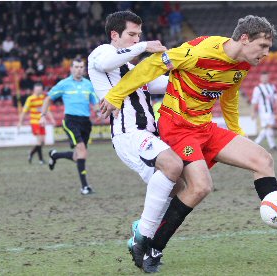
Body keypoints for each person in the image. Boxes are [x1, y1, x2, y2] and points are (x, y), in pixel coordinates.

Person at [101, 15, 277, 273]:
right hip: (177, 127)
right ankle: (153, 245)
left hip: (205, 128)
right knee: (200, 187)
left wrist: (236, 133)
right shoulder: (198, 52)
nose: (266, 53)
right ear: (244, 38)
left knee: (262, 160)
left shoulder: (242, 63)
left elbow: (230, 94)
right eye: (263, 46)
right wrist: (115, 96)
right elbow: (151, 65)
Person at [87, 10, 184, 267]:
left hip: (147, 133)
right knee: (173, 166)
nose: (136, 39)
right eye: (131, 34)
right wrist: (145, 46)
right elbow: (106, 63)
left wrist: (181, 70)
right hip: (128, 133)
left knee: (178, 188)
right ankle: (143, 237)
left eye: (139, 34)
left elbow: (160, 84)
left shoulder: (132, 68)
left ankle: (140, 230)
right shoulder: (100, 53)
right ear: (114, 34)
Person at [39, 58, 99, 195]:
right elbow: (48, 98)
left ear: (84, 69)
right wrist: (42, 115)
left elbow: (95, 104)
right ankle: (85, 187)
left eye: (81, 67)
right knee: (82, 151)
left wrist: (99, 111)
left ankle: (55, 155)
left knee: (79, 156)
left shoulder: (89, 85)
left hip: (85, 123)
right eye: (76, 67)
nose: (79, 69)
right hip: (71, 121)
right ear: (71, 69)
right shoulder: (64, 84)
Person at [17, 82, 55, 164]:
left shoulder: (44, 98)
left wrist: (52, 119)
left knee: (43, 142)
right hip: (34, 122)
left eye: (40, 90)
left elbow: (47, 110)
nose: (38, 91)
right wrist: (20, 122)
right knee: (39, 141)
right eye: (37, 90)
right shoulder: (30, 99)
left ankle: (31, 153)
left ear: (42, 90)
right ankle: (41, 160)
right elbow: (24, 112)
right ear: (34, 90)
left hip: (42, 122)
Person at [251, 71, 277, 151]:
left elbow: (276, 97)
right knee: (269, 127)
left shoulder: (272, 86)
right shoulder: (258, 88)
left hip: (271, 111)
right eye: (263, 77)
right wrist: (253, 112)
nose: (265, 78)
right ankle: (269, 145)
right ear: (260, 78)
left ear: (268, 77)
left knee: (267, 129)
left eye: (266, 77)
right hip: (264, 112)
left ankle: (256, 144)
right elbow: (254, 101)